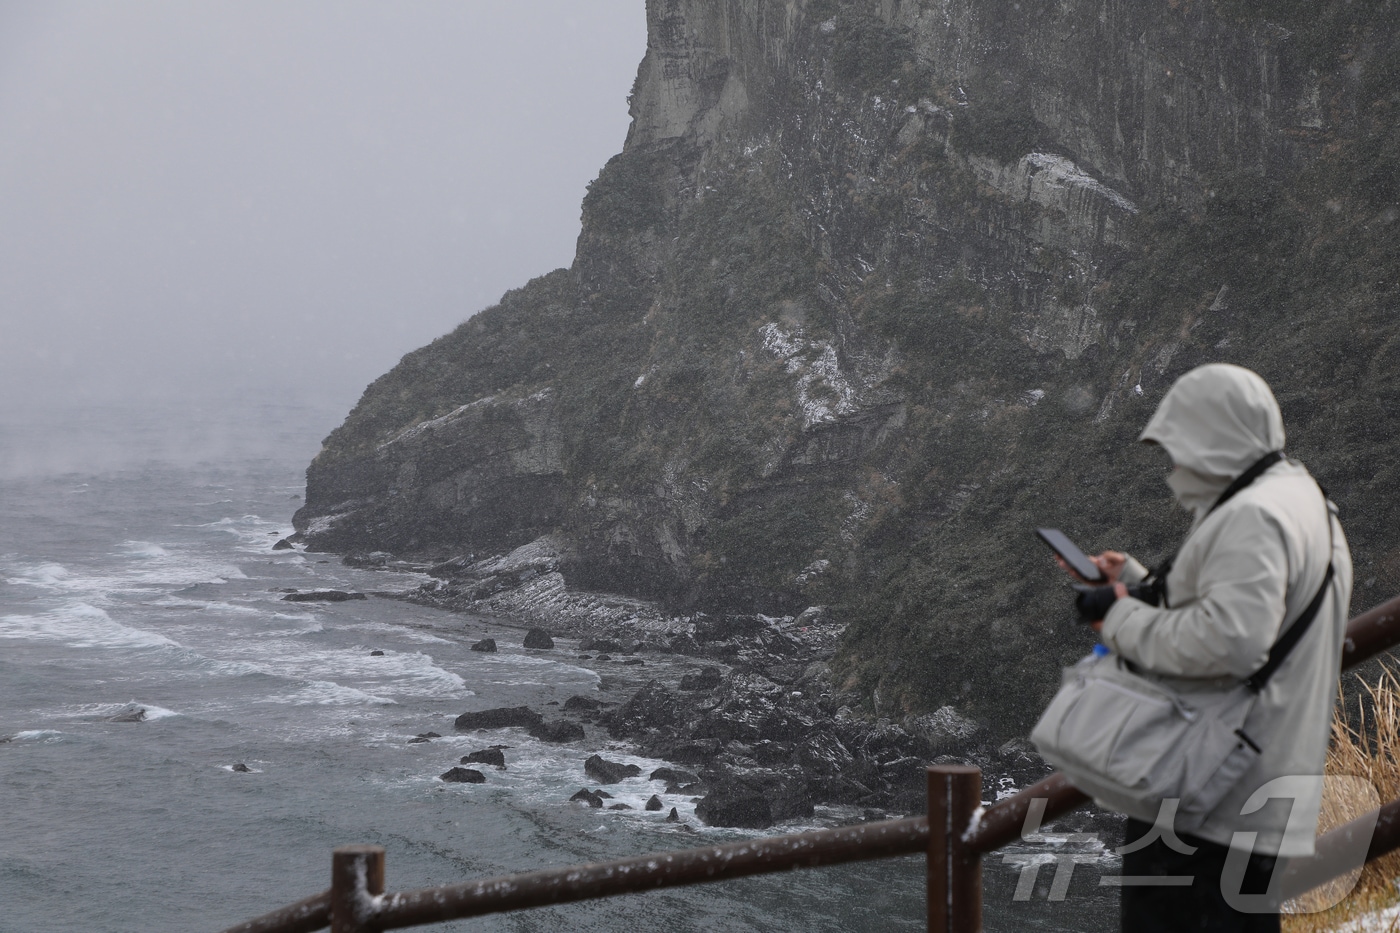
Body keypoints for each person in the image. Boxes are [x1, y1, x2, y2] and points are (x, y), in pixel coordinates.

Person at [1075, 363, 1352, 932]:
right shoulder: (1304, 502)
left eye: (1183, 449)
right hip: (1260, 779)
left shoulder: (1254, 516)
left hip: (1207, 792)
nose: (1177, 468)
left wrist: (1119, 615)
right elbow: (1248, 615)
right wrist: (1137, 578)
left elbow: (1230, 644)